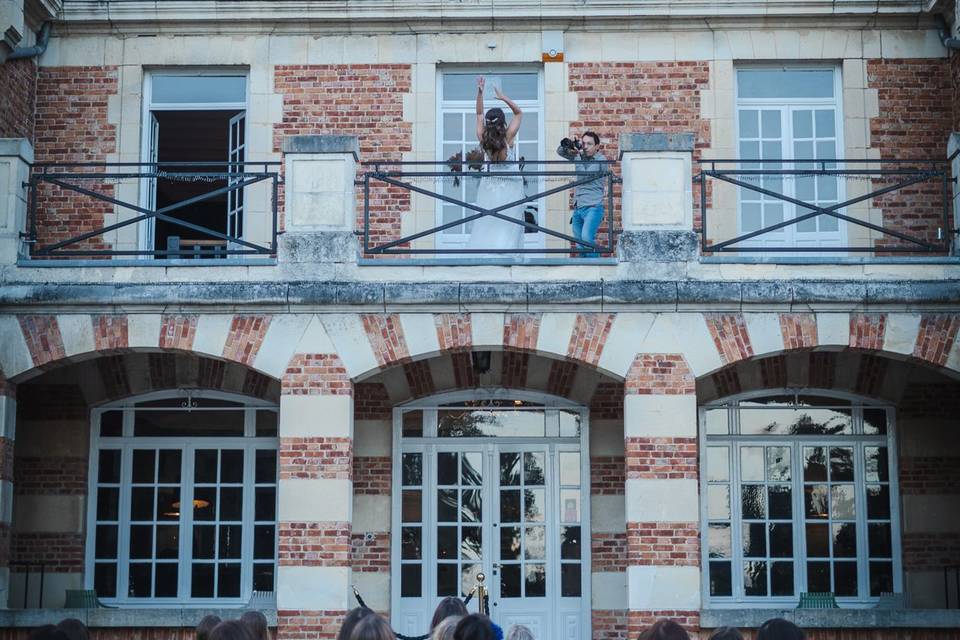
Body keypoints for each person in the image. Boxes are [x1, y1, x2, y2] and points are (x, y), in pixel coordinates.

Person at [464, 76, 525, 255]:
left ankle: (486, 254)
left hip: (489, 186)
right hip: (511, 186)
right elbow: (519, 113)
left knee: (489, 221)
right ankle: (506, 254)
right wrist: (503, 97)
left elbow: (478, 114)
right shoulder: (508, 136)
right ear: (502, 122)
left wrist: (480, 93)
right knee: (508, 223)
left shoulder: (482, 136)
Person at [557, 131, 607, 257]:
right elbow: (560, 151)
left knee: (586, 239)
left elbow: (583, 176)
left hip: (593, 207)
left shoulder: (601, 160)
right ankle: (587, 272)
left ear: (597, 146)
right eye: (583, 143)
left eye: (589, 144)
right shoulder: (580, 155)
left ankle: (596, 269)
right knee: (580, 245)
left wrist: (578, 155)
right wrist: (569, 144)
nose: (585, 146)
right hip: (578, 208)